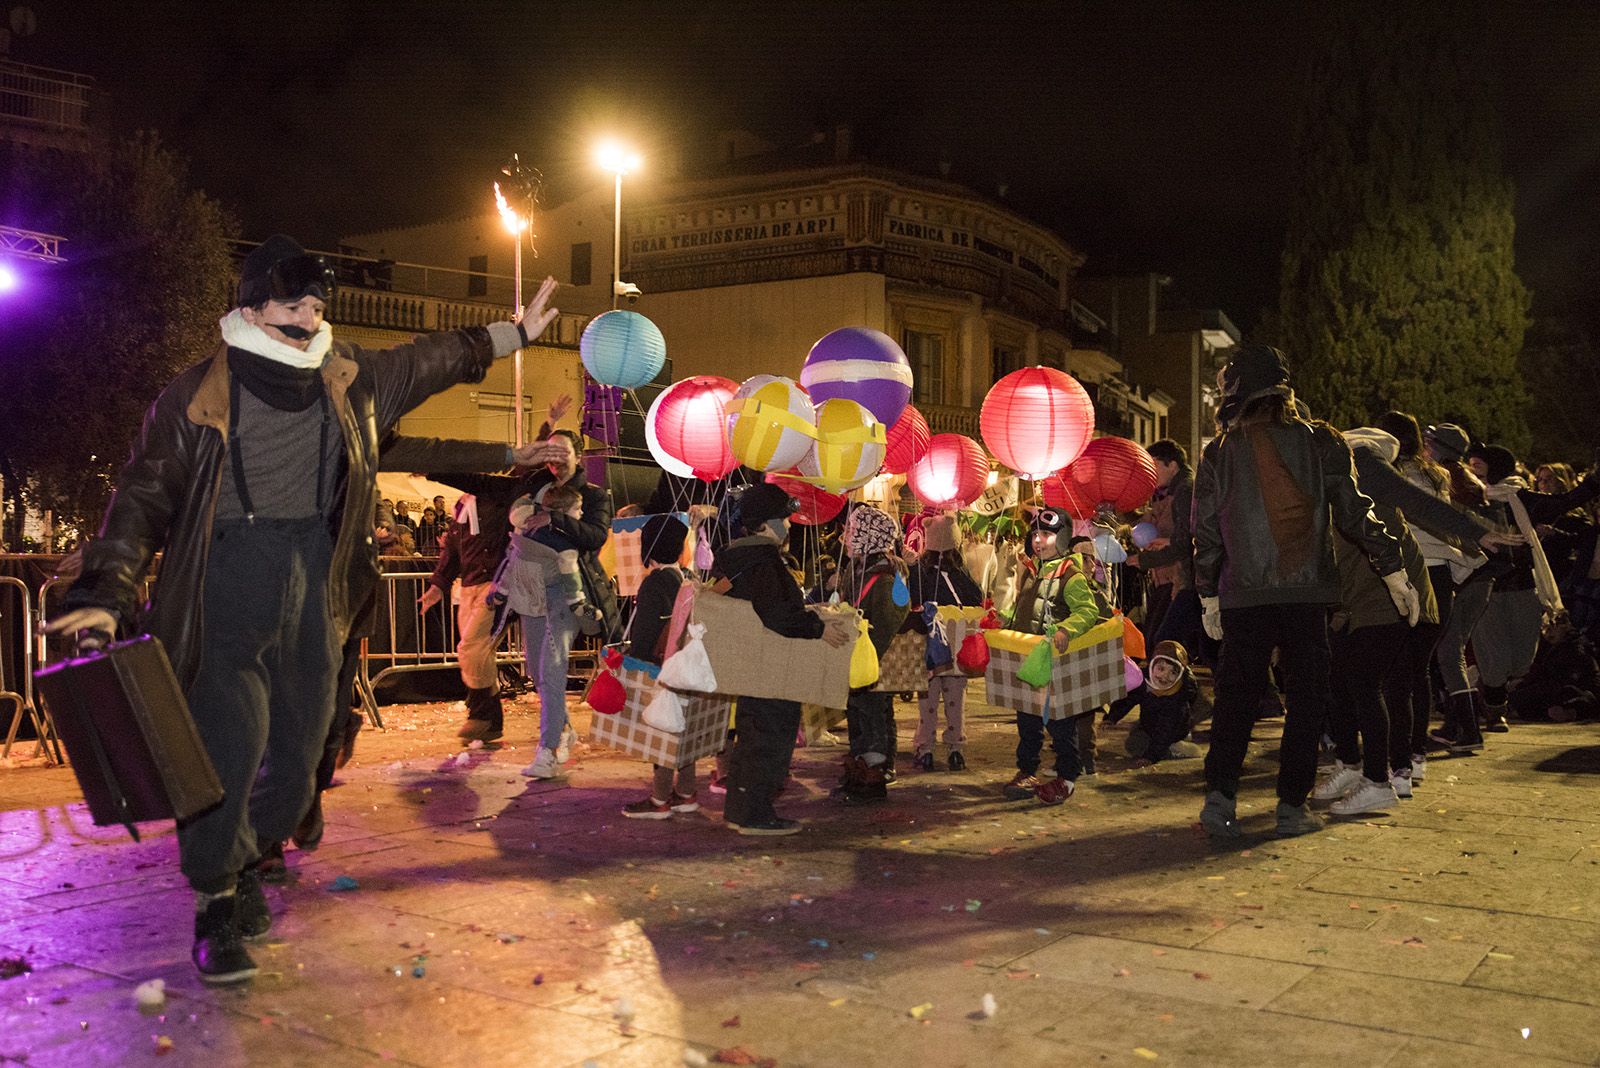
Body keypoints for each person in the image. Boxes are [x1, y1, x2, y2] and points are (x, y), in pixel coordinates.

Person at [47, 236, 561, 985]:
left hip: (315, 586)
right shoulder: (195, 396)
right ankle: (217, 902)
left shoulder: (350, 376)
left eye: (317, 307)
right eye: (293, 306)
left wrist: (514, 335)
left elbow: (431, 358)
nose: (306, 320)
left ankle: (252, 854)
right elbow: (141, 499)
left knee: (299, 763)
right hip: (228, 586)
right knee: (230, 749)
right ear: (251, 309)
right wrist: (103, 594)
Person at [1191, 345, 1412, 839]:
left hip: (1243, 592)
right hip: (1306, 590)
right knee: (1307, 701)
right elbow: (1356, 512)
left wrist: (1208, 592)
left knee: (1236, 698)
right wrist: (1393, 568)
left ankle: (1220, 796)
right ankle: (1291, 804)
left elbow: (1205, 531)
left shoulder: (1219, 451)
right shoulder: (1322, 442)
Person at [420, 396, 574, 745]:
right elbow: (454, 548)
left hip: (501, 580)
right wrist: (437, 585)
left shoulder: (505, 492)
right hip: (470, 584)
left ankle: (482, 714)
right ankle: (490, 722)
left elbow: (528, 469)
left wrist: (548, 425)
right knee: (473, 652)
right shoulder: (463, 506)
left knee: (474, 649)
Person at [715, 483, 856, 834]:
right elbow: (776, 614)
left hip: (754, 665)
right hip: (772, 668)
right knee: (769, 739)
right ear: (764, 524)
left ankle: (742, 809)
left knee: (753, 736)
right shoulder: (761, 561)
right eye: (783, 519)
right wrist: (816, 627)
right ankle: (754, 813)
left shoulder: (739, 558)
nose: (790, 525)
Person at [512, 430, 620, 779]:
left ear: (578, 454)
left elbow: (596, 536)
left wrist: (554, 519)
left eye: (561, 451)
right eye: (548, 452)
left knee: (554, 665)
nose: (554, 459)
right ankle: (563, 729)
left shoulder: (594, 496)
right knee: (536, 670)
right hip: (533, 590)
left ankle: (548, 750)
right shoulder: (536, 491)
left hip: (571, 591)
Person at [1000, 506, 1103, 805]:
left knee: (1060, 724)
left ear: (1062, 537)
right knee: (1027, 721)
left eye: (1046, 534)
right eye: (1035, 534)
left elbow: (1088, 611)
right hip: (1029, 660)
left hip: (1055, 663)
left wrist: (1066, 629)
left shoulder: (1071, 575)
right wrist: (1002, 619)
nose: (1038, 540)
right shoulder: (1032, 570)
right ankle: (1027, 771)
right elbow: (1024, 609)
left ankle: (1067, 778)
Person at [618, 514, 702, 817]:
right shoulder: (685, 579)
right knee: (682, 730)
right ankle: (687, 792)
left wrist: (634, 664)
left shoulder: (654, 584)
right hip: (684, 667)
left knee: (662, 732)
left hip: (659, 668)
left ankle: (659, 799)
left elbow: (644, 632)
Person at [834, 504, 911, 803]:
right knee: (859, 713)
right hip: (859, 659)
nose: (846, 536)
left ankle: (875, 771)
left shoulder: (888, 576)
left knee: (873, 714)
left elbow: (897, 613)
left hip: (873, 660)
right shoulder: (859, 569)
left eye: (853, 531)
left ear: (869, 537)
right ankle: (861, 765)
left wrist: (868, 645)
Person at [907, 513, 984, 772]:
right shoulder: (959, 573)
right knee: (955, 700)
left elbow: (910, 599)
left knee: (927, 702)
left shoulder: (919, 571)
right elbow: (977, 598)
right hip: (957, 647)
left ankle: (926, 749)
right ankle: (955, 750)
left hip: (928, 649)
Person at [1127, 439, 1201, 654]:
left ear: (1172, 465)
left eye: (1155, 464)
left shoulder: (1185, 491)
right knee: (1158, 640)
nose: (1151, 471)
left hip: (1183, 579)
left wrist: (1142, 561)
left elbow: (1184, 543)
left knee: (1163, 641)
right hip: (1169, 578)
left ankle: (1173, 686)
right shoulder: (1168, 491)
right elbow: (1150, 525)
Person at [1106, 640, 1200, 764]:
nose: (1165, 676)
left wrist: (1150, 757)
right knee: (1135, 736)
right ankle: (1167, 745)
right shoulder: (1145, 680)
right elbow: (1129, 699)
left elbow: (1165, 730)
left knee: (1136, 745)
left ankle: (1176, 748)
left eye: (1173, 672)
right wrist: (1112, 717)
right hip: (1150, 723)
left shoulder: (1177, 698)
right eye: (1161, 668)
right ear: (1152, 665)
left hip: (1171, 730)